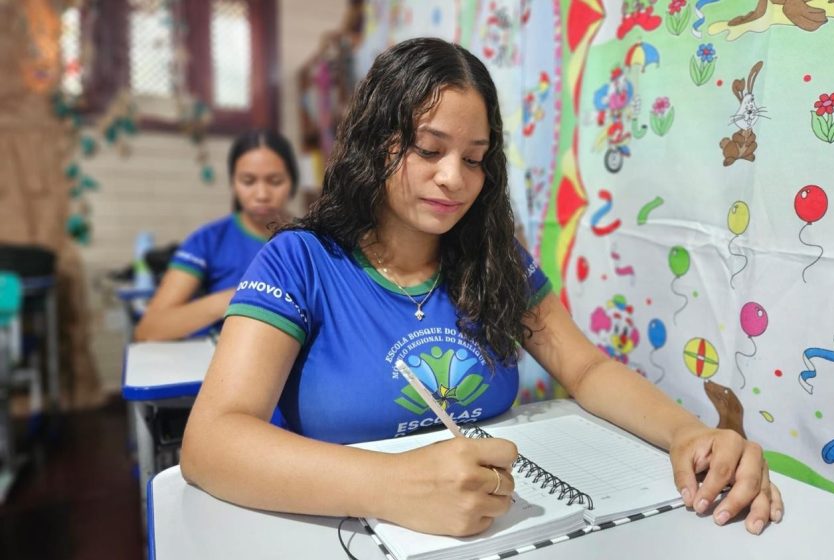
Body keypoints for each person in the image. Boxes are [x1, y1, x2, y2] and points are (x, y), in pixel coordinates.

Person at [181, 38, 783, 538]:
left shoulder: (495, 262)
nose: (454, 179)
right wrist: (392, 486)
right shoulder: (301, 262)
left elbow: (588, 371)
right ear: (375, 143)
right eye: (428, 149)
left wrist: (690, 433)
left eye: (475, 159)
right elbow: (211, 443)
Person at [134, 130, 299, 341]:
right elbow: (149, 329)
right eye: (248, 181)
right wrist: (242, 296)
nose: (262, 195)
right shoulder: (209, 241)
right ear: (233, 184)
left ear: (292, 183)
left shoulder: (312, 242)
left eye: (275, 181)